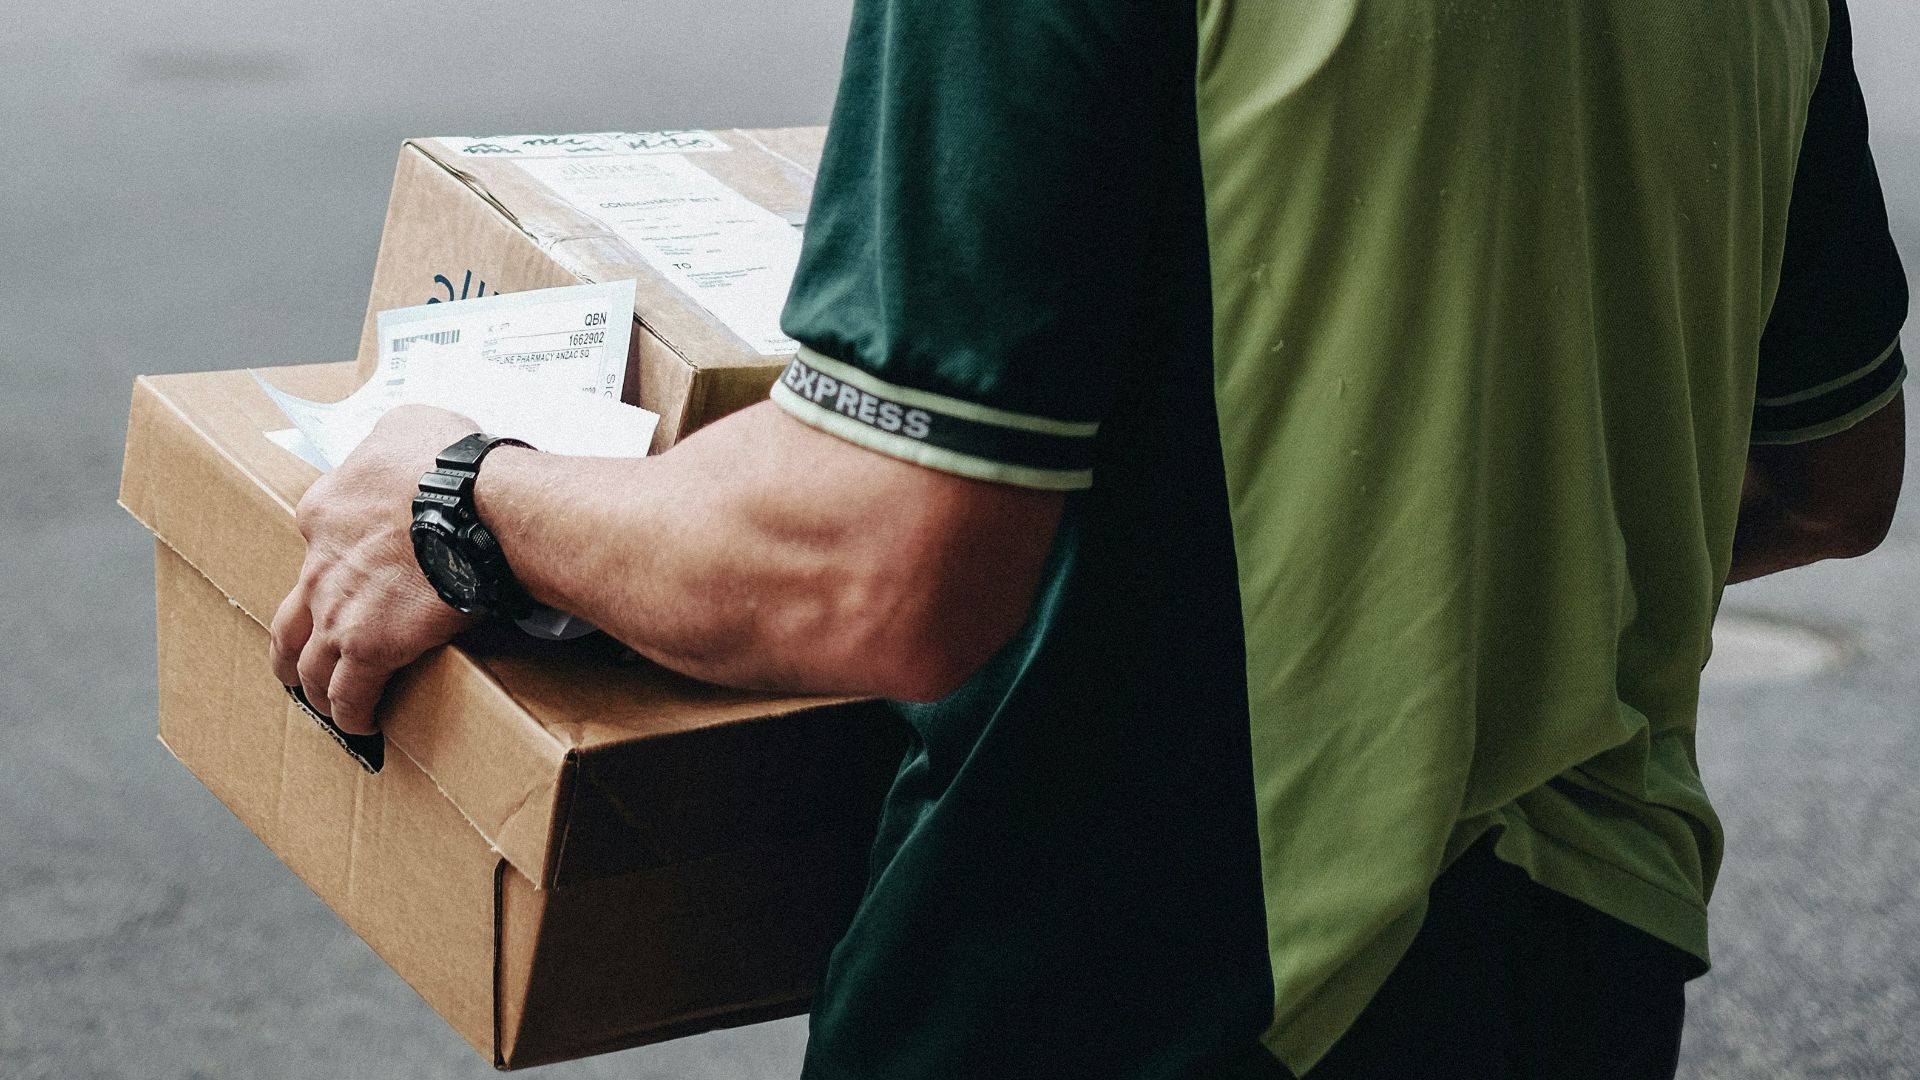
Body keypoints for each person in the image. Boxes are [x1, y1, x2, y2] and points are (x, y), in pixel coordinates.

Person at [269, 0, 1907, 1076]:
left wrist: (462, 502)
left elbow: (876, 565)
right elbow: (1829, 478)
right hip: (1573, 968)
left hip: (1142, 984)